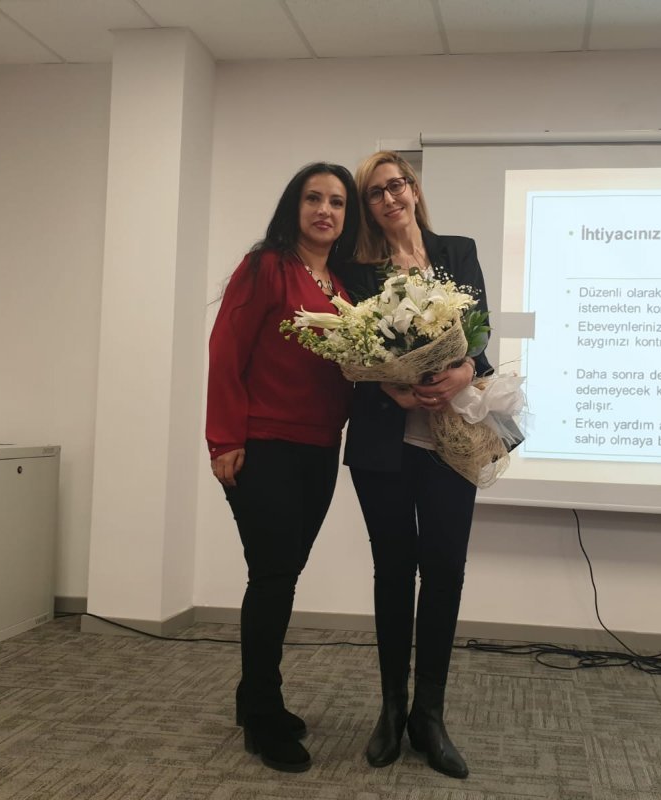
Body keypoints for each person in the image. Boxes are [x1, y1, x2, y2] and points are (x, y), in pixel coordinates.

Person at [337, 151, 493, 779]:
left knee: (446, 571)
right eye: (375, 193)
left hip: (451, 442)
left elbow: (480, 335)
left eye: (396, 185)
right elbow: (352, 351)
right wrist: (389, 384)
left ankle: (430, 714)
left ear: (414, 189)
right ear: (368, 206)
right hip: (384, 445)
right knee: (394, 572)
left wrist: (464, 370)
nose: (389, 198)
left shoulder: (457, 251)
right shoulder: (356, 271)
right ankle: (391, 709)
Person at [206, 162, 360, 773]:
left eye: (337, 202)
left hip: (321, 448)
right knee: (271, 577)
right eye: (313, 198)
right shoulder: (266, 266)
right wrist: (223, 438)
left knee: (284, 574)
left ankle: (253, 697)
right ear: (293, 207)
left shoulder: (341, 284)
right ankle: (263, 717)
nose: (325, 210)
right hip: (264, 444)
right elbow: (226, 350)